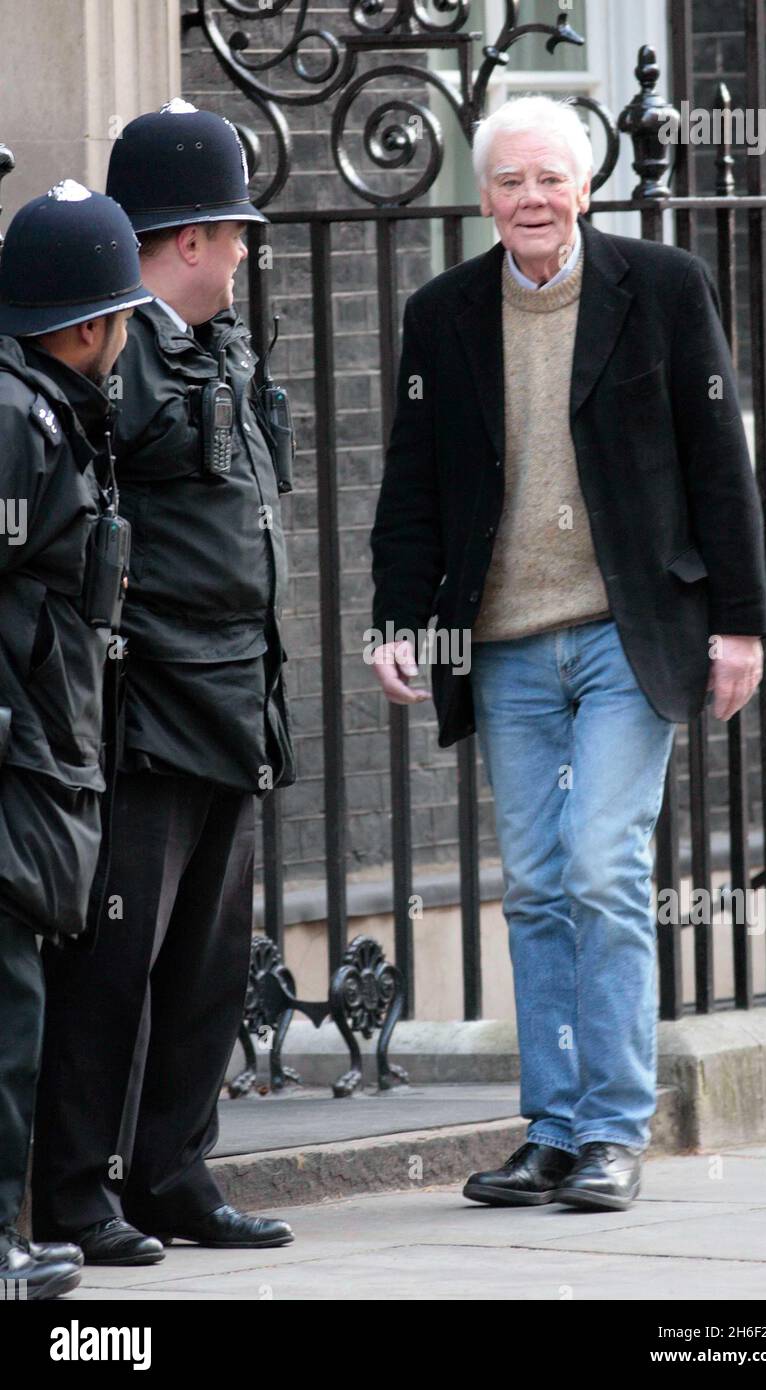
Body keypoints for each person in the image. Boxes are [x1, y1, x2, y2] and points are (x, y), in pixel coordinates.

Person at [369, 96, 766, 1212]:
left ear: (584, 185)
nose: (531, 201)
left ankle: (612, 1128)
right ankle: (550, 1128)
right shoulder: (442, 313)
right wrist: (398, 617)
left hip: (622, 635)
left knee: (600, 866)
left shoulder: (663, 288)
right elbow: (412, 483)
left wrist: (739, 623)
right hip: (502, 645)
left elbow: (718, 463)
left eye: (549, 179)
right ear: (485, 196)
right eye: (509, 183)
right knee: (539, 886)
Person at [31, 103, 296, 1264]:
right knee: (114, 961)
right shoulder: (112, 352)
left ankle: (176, 1172)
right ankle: (80, 1194)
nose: (244, 252)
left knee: (210, 958)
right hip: (145, 697)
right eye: (232, 233)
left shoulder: (223, 344)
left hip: (236, 687)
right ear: (184, 239)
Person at [0, 179, 151, 1296]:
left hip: (39, 756)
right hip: (15, 760)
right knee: (7, 1014)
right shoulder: (17, 418)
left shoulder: (44, 410)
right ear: (93, 324)